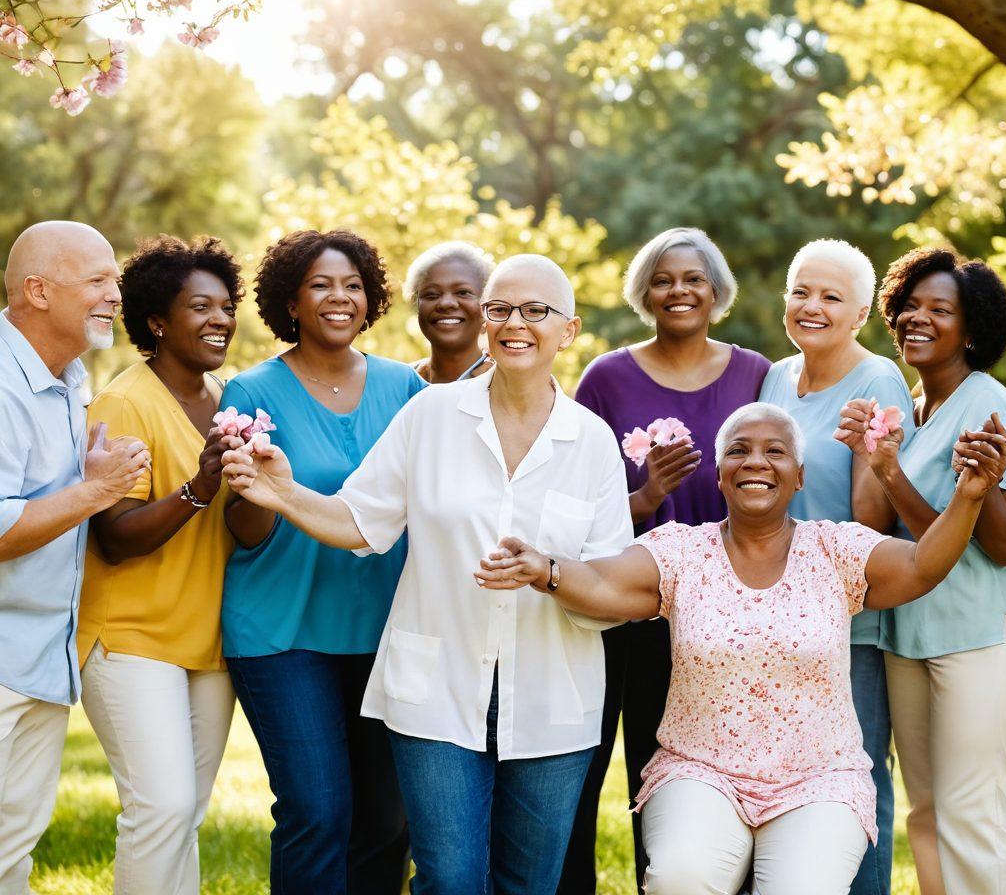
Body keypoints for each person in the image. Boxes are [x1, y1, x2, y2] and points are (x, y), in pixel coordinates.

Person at [475, 402, 1006, 895]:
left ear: (800, 477)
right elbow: (604, 584)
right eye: (739, 450)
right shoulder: (681, 551)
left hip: (818, 778)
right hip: (699, 771)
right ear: (719, 475)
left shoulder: (836, 548)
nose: (756, 461)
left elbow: (921, 566)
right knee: (680, 878)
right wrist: (547, 569)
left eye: (775, 451)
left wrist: (969, 495)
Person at [221, 254, 633, 895]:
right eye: (499, 310)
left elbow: (611, 584)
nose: (514, 324)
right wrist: (283, 494)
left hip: (555, 695)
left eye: (535, 311)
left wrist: (548, 573)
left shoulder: (594, 441)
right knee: (450, 880)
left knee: (531, 883)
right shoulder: (430, 415)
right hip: (435, 691)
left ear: (570, 329)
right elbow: (361, 521)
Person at [563, 227, 770, 893]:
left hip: (719, 620)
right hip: (618, 609)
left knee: (696, 789)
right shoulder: (605, 379)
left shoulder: (756, 375)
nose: (678, 290)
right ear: (643, 293)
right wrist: (645, 495)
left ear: (716, 291)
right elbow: (569, 509)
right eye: (662, 279)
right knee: (580, 777)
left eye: (693, 279)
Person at [221, 230, 423, 895]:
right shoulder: (251, 392)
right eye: (320, 286)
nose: (339, 298)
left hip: (385, 633)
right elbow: (247, 534)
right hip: (284, 632)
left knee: (385, 821)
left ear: (370, 299)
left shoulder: (408, 391)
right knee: (317, 810)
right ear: (291, 302)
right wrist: (256, 488)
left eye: (352, 286)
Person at [839, 247, 1006, 895]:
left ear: (972, 330)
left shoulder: (986, 401)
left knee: (971, 808)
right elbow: (918, 535)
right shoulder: (919, 413)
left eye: (940, 310)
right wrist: (884, 467)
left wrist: (897, 475)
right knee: (926, 811)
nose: (917, 318)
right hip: (912, 636)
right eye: (909, 306)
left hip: (981, 634)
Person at [78, 235, 245, 895]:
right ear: (156, 320)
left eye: (227, 305)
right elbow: (113, 536)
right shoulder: (125, 403)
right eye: (200, 306)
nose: (220, 319)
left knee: (184, 817)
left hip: (209, 641)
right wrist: (198, 489)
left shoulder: (233, 397)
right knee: (161, 809)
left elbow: (246, 525)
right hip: (130, 638)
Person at [756, 238, 912, 895]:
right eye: (801, 292)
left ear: (859, 316)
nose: (811, 306)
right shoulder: (773, 377)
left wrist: (864, 451)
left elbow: (871, 524)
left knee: (853, 781)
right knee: (775, 776)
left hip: (844, 622)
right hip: (766, 616)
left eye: (831, 297)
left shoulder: (877, 380)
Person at [0, 220, 150, 892]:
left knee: (12, 847)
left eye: (113, 279)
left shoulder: (73, 376)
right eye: (97, 280)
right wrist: (97, 490)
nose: (115, 294)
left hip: (39, 657)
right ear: (37, 290)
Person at [405, 241, 495, 383]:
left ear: (487, 306)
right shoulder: (398, 385)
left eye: (462, 292)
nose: (446, 303)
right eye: (432, 294)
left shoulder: (508, 385)